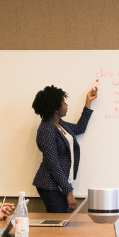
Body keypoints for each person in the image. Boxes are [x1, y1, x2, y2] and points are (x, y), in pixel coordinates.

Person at [31, 84, 96, 214]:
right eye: (64, 103)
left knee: (63, 221)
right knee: (59, 222)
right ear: (56, 109)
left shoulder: (60, 124)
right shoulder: (46, 129)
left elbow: (80, 128)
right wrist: (69, 192)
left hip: (59, 184)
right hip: (50, 185)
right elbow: (53, 164)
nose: (66, 106)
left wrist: (88, 102)